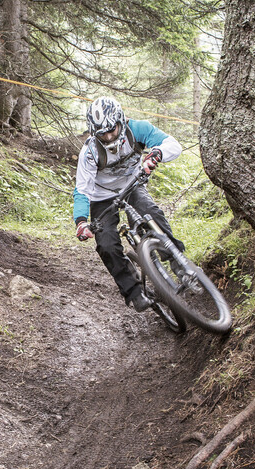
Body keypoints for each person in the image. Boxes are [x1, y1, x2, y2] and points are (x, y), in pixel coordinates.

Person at [72, 96, 184, 312]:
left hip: (133, 184)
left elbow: (173, 144)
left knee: (152, 213)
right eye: (101, 133)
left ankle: (177, 261)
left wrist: (158, 153)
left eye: (111, 129)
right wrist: (81, 221)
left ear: (120, 121)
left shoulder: (138, 129)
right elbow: (82, 189)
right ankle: (133, 291)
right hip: (101, 197)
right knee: (106, 244)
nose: (108, 136)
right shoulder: (89, 151)